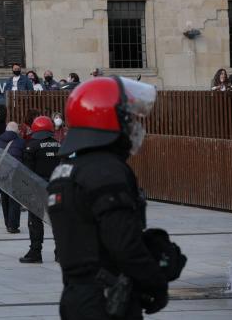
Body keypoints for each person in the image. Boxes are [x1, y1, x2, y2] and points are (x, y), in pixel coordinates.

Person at [47, 77, 185, 319]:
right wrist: (155, 284)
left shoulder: (67, 170)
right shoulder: (106, 171)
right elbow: (123, 244)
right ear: (107, 118)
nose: (133, 125)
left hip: (76, 296)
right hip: (107, 300)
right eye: (127, 117)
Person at [18, 116, 61, 263]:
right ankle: (60, 252)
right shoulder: (58, 145)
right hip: (56, 188)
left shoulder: (32, 146)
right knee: (58, 220)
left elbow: (27, 171)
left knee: (35, 220)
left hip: (37, 189)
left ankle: (35, 252)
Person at [0, 122, 23, 233]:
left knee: (4, 199)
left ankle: (8, 223)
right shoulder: (21, 142)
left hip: (1, 175)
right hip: (16, 174)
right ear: (16, 130)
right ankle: (13, 226)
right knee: (14, 199)